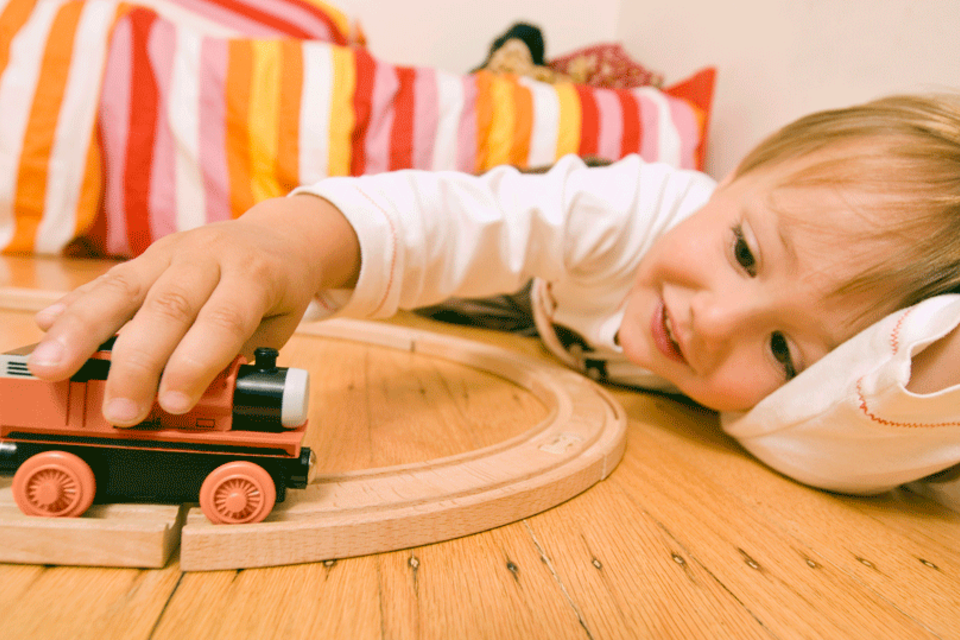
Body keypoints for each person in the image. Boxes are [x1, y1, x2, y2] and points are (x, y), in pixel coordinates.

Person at [25, 94, 960, 493]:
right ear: (739, 174)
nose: (713, 319)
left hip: (549, 329)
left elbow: (882, 433)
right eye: (748, 253)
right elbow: (451, 221)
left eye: (786, 354)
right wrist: (284, 241)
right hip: (536, 278)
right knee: (445, 245)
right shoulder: (641, 208)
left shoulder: (821, 412)